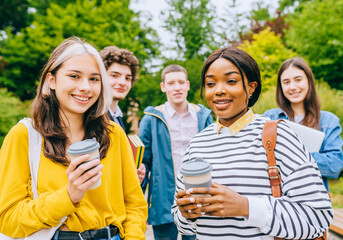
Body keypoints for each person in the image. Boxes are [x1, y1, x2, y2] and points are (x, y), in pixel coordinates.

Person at [172, 47, 333, 239]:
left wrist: (246, 207)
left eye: (231, 81)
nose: (219, 90)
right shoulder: (197, 143)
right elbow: (183, 225)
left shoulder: (278, 135)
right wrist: (186, 214)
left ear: (251, 87)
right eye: (210, 83)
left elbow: (318, 217)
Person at [0, 37, 147, 240]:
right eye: (74, 76)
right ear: (51, 80)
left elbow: (134, 205)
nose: (86, 87)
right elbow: (8, 220)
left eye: (94, 79)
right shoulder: (24, 135)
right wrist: (68, 195)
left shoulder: (113, 133)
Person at [138, 64, 213, 240]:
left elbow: (213, 155)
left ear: (187, 85)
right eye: (171, 83)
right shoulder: (150, 119)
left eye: (181, 82)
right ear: (163, 87)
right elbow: (144, 161)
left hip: (198, 194)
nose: (177, 87)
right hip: (163, 196)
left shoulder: (203, 116)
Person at [263, 57, 343, 191]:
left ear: (309, 81)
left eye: (298, 80)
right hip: (279, 197)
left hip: (314, 197)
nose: (292, 87)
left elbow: (335, 164)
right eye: (286, 82)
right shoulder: (270, 117)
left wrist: (291, 155)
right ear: (281, 87)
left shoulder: (328, 121)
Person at [100, 46, 139, 132]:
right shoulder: (94, 118)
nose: (122, 82)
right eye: (114, 76)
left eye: (127, 78)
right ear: (100, 77)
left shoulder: (117, 117)